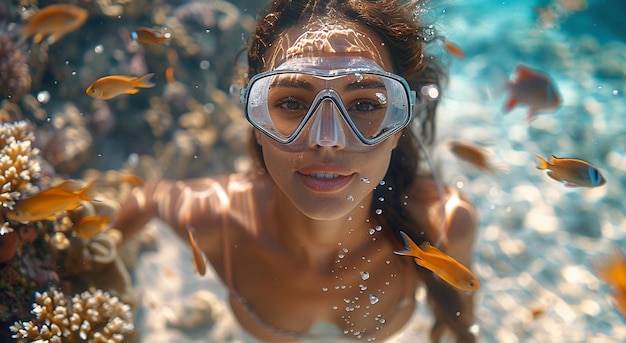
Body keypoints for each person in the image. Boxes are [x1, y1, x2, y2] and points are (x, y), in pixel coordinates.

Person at [113, 0, 479, 341]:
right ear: (256, 120)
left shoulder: (444, 224)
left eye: (365, 104)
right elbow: (148, 199)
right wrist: (97, 263)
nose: (327, 140)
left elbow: (462, 328)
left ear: (399, 125)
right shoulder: (216, 218)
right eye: (291, 102)